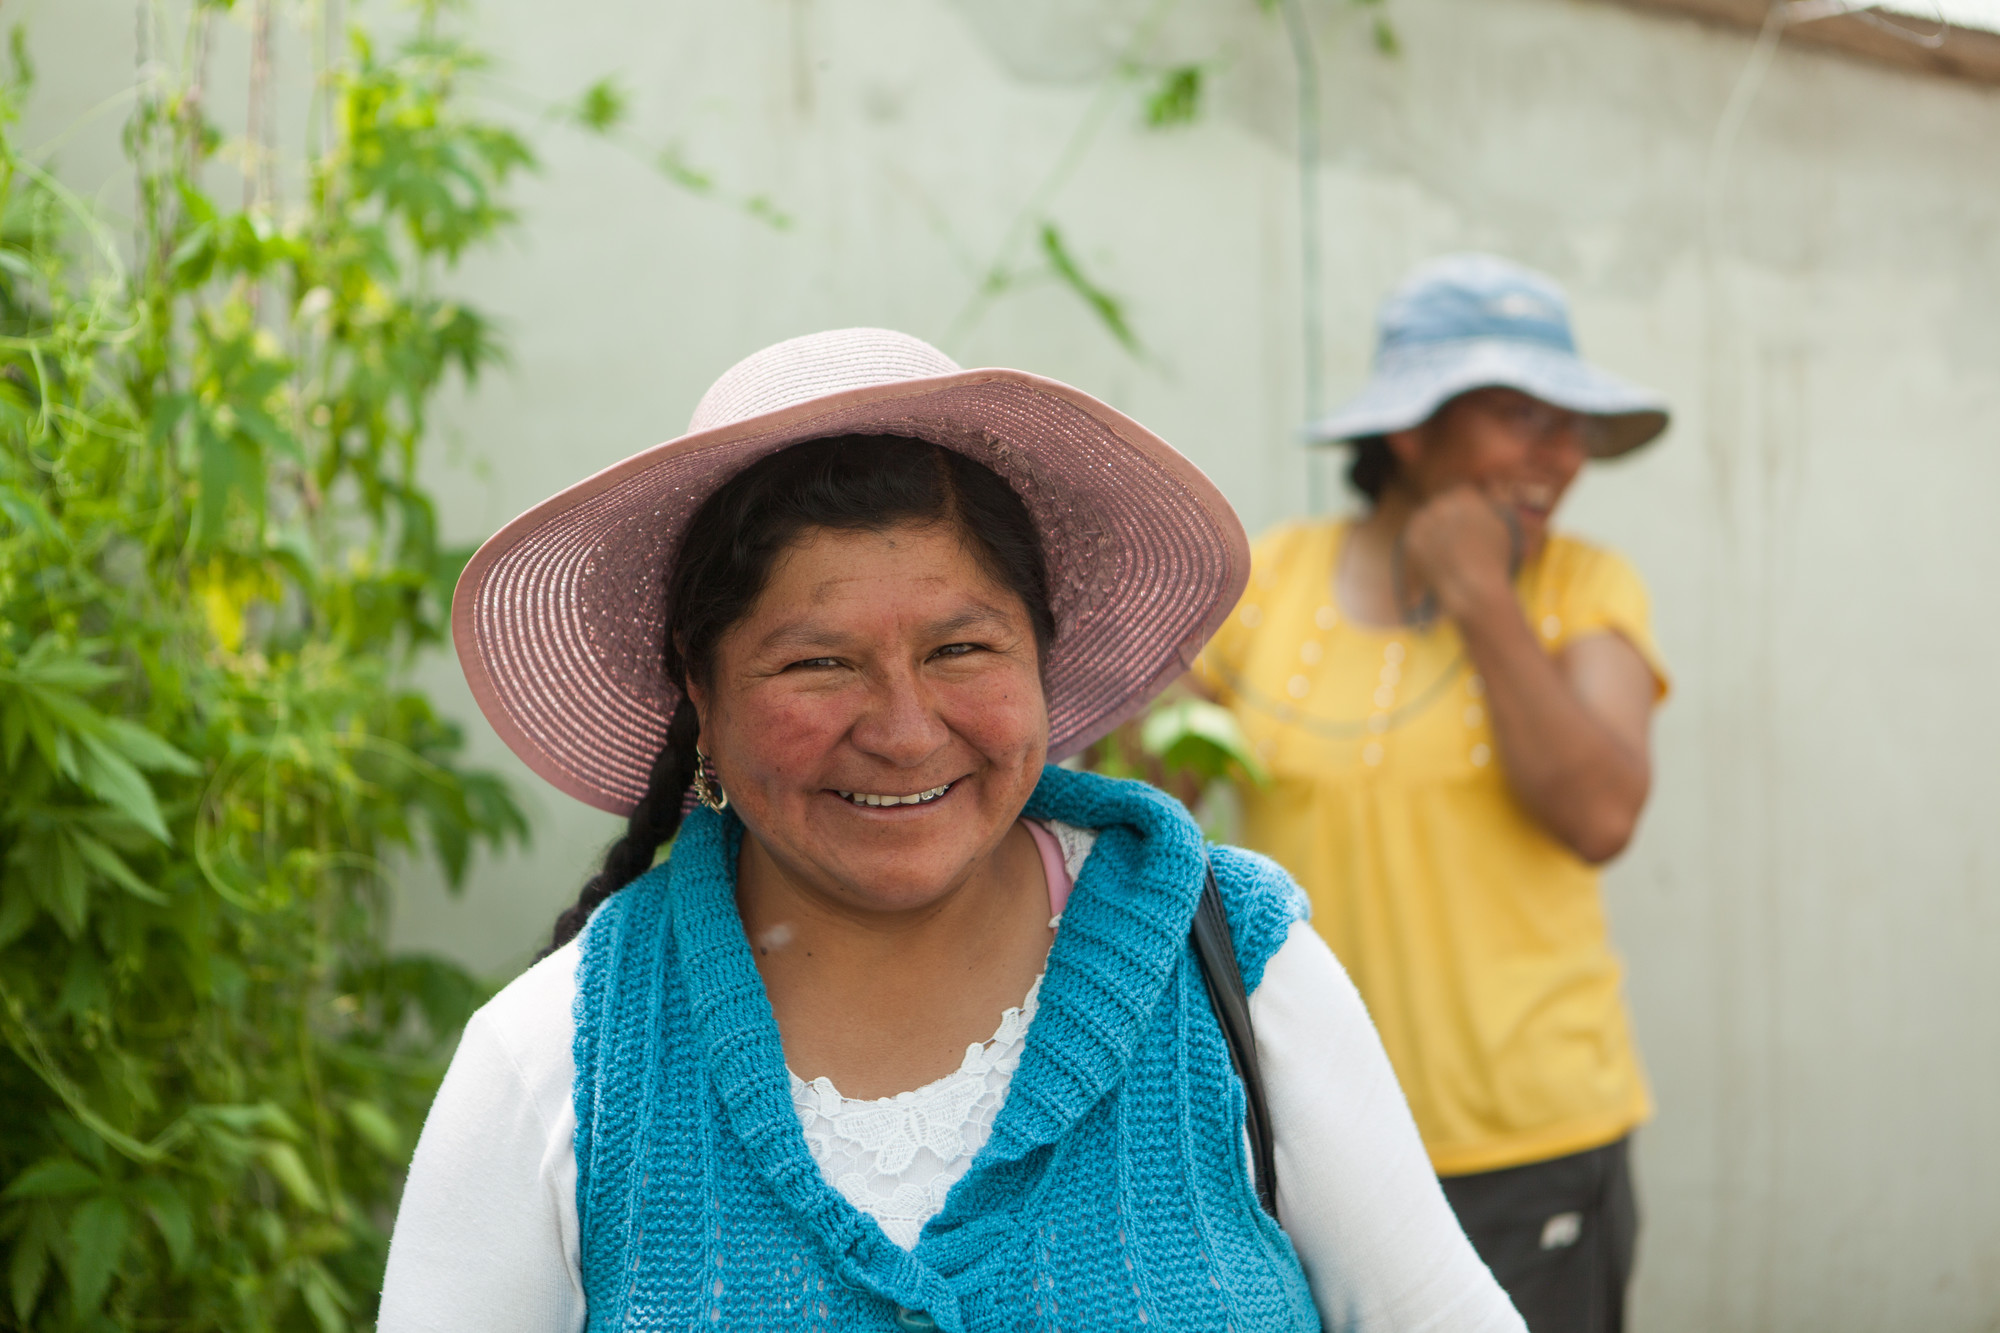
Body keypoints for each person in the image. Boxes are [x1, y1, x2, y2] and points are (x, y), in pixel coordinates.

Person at [377, 328, 1524, 1331]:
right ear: (701, 694)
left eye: (960, 648)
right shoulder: (553, 1066)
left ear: (1039, 649)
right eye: (816, 664)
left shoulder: (1232, 968)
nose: (905, 730)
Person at [1194, 256, 1671, 1333]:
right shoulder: (1268, 582)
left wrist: (1475, 591)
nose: (1558, 454)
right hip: (1301, 1132)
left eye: (1571, 425)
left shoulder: (1582, 585)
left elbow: (1599, 812)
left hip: (1525, 1139)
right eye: (1518, 415)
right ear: (1407, 430)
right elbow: (1152, 787)